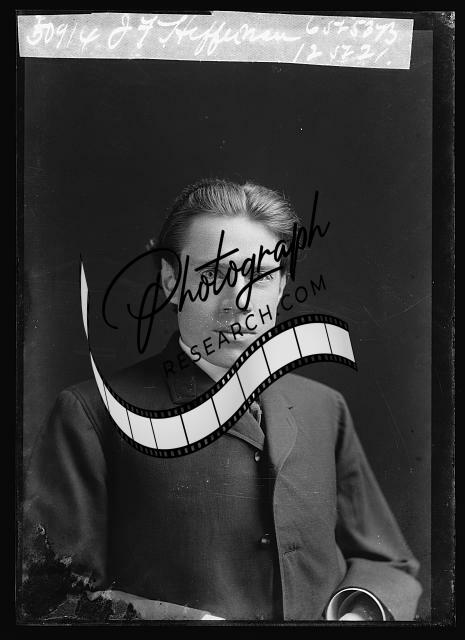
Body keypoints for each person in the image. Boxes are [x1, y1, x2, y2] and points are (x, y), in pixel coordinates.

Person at [23, 178, 422, 622]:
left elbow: (390, 562)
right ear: (171, 281)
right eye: (214, 275)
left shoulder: (324, 407)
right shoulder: (91, 414)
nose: (241, 300)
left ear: (282, 286)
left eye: (261, 276)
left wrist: (356, 615)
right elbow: (49, 600)